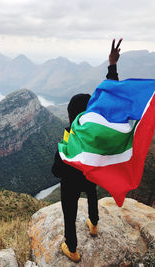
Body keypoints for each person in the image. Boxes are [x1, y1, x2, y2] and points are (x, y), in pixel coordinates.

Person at [51, 38, 123, 262]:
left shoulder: (68, 139)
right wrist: (112, 66)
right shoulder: (97, 137)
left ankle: (71, 248)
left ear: (71, 116)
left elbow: (56, 171)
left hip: (70, 182)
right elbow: (111, 101)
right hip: (89, 176)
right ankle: (93, 223)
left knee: (69, 210)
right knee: (91, 193)